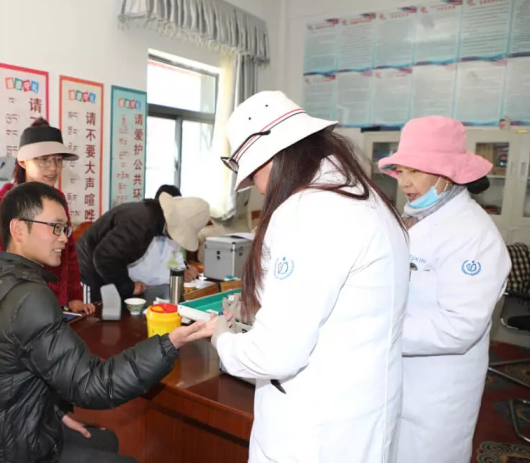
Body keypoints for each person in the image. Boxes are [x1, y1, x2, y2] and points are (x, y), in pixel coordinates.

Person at [0, 182, 222, 463]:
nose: (65, 239)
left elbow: (5, 374)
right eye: (55, 227)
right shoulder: (28, 296)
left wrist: (54, 411)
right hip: (12, 452)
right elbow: (94, 385)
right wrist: (169, 343)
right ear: (18, 229)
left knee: (106, 439)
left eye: (65, 229)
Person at [210, 91, 410, 462]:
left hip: (314, 431)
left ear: (273, 158)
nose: (259, 188)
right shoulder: (364, 197)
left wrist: (223, 340)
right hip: (358, 413)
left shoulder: (309, 211)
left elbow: (275, 354)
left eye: (254, 174)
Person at [377, 116, 511, 463]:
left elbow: (460, 327)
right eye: (401, 171)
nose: (405, 182)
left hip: (435, 392)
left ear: (447, 173)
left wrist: (376, 331)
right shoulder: (416, 217)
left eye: (416, 171)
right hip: (396, 376)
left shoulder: (473, 235)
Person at [0, 117, 94, 314]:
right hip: (15, 307)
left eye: (58, 160)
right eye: (43, 160)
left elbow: (69, 253)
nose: (53, 168)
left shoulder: (57, 200)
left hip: (52, 305)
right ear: (23, 162)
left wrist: (74, 296)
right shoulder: (2, 202)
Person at [76, 191, 209, 302]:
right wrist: (128, 287)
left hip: (101, 273)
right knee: (92, 318)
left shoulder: (149, 214)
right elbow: (104, 258)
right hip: (88, 272)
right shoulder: (141, 224)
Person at [127, 184, 200, 287]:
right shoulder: (140, 228)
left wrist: (184, 270)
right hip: (138, 290)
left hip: (164, 289)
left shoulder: (174, 231)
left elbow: (175, 260)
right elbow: (143, 274)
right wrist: (176, 275)